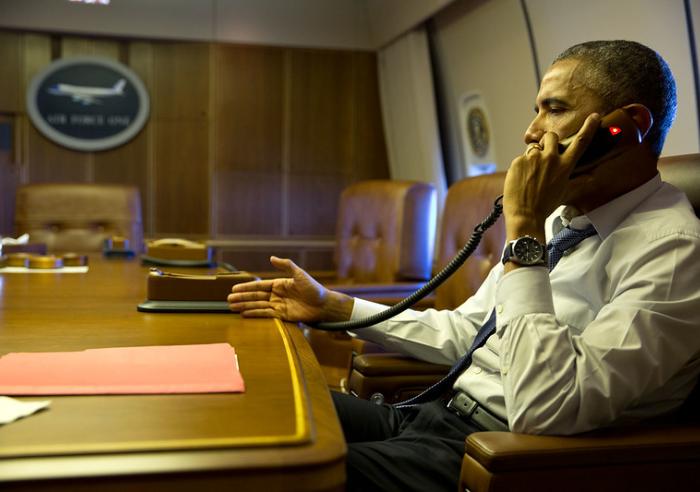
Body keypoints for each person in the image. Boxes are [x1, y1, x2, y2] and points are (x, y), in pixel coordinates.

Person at [228, 40, 700, 491]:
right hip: (429, 415)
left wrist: (525, 232)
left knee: (260, 471)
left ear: (628, 125)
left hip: (497, 456)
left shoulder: (673, 251)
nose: (531, 132)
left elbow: (547, 406)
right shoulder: (565, 219)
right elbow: (468, 331)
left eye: (555, 109)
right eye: (537, 109)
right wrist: (334, 307)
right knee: (250, 405)